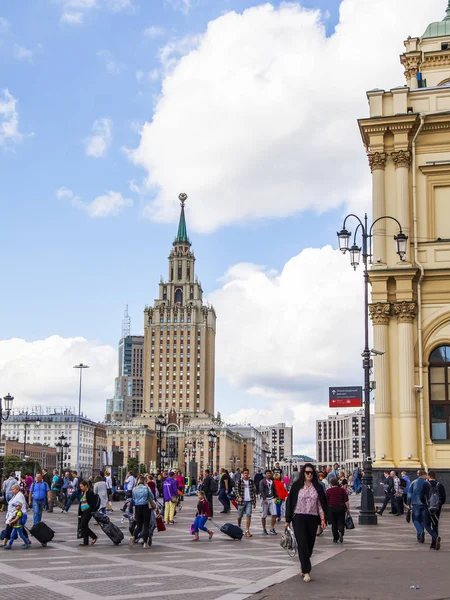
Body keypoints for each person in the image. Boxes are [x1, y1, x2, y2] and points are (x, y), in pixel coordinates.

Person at [285, 463, 327, 583]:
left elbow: (320, 505)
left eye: (311, 473)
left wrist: (323, 520)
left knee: (309, 545)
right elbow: (290, 502)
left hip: (312, 518)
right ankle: (306, 571)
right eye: (307, 472)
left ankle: (304, 564)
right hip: (298, 517)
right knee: (302, 544)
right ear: (303, 473)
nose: (309, 474)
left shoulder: (317, 487)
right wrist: (287, 520)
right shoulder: (297, 486)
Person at [407, 469, 437, 549]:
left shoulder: (413, 482)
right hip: (424, 504)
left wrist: (408, 503)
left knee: (415, 520)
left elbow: (409, 494)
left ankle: (420, 532)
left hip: (415, 504)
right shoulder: (426, 483)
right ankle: (420, 538)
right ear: (424, 475)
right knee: (423, 520)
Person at [130, 476, 155, 549]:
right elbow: (152, 497)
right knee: (146, 525)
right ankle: (145, 543)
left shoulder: (134, 489)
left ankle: (134, 537)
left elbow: (133, 499)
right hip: (145, 507)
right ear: (145, 481)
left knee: (139, 525)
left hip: (137, 507)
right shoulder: (147, 488)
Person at [326, 477, 349, 543]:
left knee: (334, 523)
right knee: (341, 521)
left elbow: (326, 501)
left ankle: (335, 537)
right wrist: (348, 509)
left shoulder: (328, 491)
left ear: (331, 484)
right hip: (341, 507)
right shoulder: (342, 490)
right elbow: (346, 500)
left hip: (332, 508)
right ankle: (341, 531)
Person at [427, 470, 446, 549]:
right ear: (435, 476)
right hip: (437, 507)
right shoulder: (440, 485)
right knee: (435, 524)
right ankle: (434, 543)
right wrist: (439, 504)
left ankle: (434, 537)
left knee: (427, 524)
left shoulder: (426, 484)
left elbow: (422, 496)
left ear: (428, 476)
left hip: (428, 507)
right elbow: (443, 497)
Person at [236, 468, 256, 537]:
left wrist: (254, 502)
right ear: (242, 474)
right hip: (242, 501)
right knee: (239, 516)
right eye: (245, 473)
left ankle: (247, 530)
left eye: (247, 473)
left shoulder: (251, 482)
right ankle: (239, 527)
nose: (246, 474)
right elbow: (236, 490)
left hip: (249, 501)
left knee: (248, 515)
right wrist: (239, 497)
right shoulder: (239, 481)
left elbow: (253, 491)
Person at [78, 480, 98, 547]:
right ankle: (85, 542)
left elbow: (93, 503)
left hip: (88, 511)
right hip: (83, 511)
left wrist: (90, 509)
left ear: (86, 486)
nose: (81, 488)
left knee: (82, 525)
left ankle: (94, 536)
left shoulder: (90, 492)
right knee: (85, 525)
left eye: (82, 486)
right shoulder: (83, 492)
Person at [259, 469, 278, 535]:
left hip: (272, 498)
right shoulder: (262, 482)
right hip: (265, 499)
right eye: (267, 473)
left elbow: (274, 490)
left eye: (269, 473)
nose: (269, 475)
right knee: (264, 515)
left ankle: (272, 528)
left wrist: (276, 497)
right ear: (265, 474)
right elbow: (261, 490)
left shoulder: (272, 482)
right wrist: (264, 498)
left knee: (274, 513)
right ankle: (264, 529)